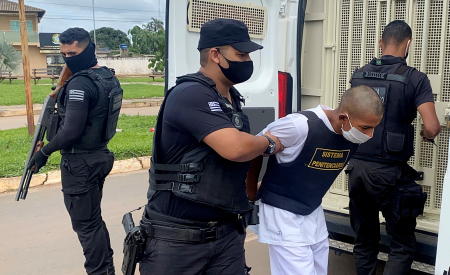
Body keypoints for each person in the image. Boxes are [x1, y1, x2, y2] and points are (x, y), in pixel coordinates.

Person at [137, 18, 283, 275]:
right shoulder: (190, 94)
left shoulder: (230, 98)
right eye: (241, 54)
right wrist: (270, 143)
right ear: (215, 54)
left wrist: (251, 192)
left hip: (226, 235)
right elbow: (235, 148)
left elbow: (237, 160)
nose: (247, 60)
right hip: (178, 240)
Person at [246, 86, 384, 275]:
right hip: (283, 213)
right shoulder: (300, 125)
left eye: (374, 128)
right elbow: (253, 147)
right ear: (344, 118)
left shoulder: (351, 135)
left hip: (313, 212)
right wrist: (251, 191)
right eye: (366, 128)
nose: (370, 135)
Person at [347, 20, 441, 275]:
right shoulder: (415, 79)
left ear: (381, 43)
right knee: (401, 244)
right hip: (390, 173)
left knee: (365, 240)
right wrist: (425, 132)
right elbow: (432, 126)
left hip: (357, 170)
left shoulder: (359, 75)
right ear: (408, 44)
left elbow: (345, 119)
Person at [28, 27, 123, 275]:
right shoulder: (106, 76)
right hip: (99, 156)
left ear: (89, 48)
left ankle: (100, 271)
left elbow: (71, 130)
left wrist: (44, 152)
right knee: (93, 221)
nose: (69, 58)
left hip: (81, 164)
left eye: (73, 52)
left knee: (86, 226)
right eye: (64, 54)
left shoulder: (81, 83)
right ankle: (105, 268)